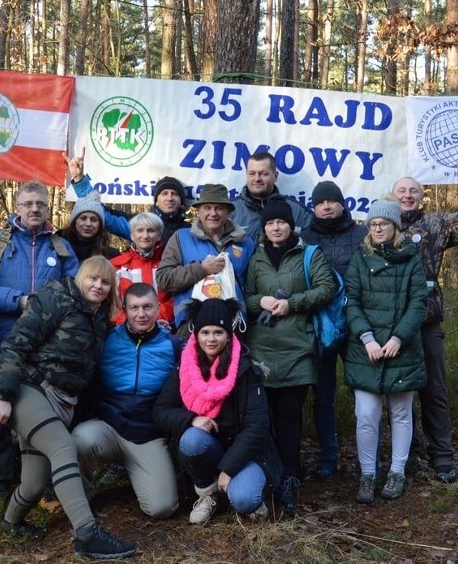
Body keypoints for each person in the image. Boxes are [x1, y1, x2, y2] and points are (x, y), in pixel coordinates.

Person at [0, 256, 136, 560]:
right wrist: (2, 394)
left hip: (62, 399)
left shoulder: (99, 319)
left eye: (105, 282)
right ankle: (87, 534)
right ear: (81, 277)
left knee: (33, 482)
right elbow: (15, 343)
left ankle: (9, 523)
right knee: (63, 448)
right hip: (28, 389)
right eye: (92, 278)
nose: (98, 285)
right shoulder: (56, 298)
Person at [0, 180, 79, 520]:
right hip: (2, 343)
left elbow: (75, 290)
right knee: (0, 418)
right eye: (28, 203)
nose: (34, 209)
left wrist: (48, 312)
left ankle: (44, 489)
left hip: (47, 350)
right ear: (16, 208)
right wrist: (17, 302)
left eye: (40, 204)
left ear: (48, 209)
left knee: (47, 416)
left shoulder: (61, 247)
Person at [244, 197, 337, 514]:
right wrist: (263, 302)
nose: (275, 227)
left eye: (280, 222)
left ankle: (290, 476)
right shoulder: (256, 259)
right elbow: (246, 297)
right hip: (261, 350)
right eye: (270, 223)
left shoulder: (309, 254)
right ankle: (269, 475)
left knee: (289, 415)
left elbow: (327, 289)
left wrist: (291, 303)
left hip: (298, 347)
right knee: (262, 417)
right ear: (264, 228)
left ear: (290, 225)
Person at [393, 162, 458, 483]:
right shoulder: (381, 226)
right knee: (398, 392)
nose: (407, 196)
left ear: (422, 196)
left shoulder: (435, 224)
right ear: (393, 195)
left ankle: (442, 457)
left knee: (434, 389)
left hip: (427, 320)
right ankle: (404, 456)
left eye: (413, 191)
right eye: (402, 191)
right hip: (392, 325)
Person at [153, 298, 280, 524]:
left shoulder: (245, 369)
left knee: (244, 499)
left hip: (246, 454)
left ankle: (243, 493)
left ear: (229, 334)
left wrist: (228, 469)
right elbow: (161, 411)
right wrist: (192, 419)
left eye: (218, 332)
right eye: (205, 332)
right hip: (209, 448)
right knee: (191, 439)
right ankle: (209, 494)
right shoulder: (185, 367)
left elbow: (257, 426)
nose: (211, 339)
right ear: (196, 333)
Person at [72, 283, 181, 519]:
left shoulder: (173, 346)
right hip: (108, 428)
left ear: (158, 308)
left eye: (147, 307)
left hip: (147, 435)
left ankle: (137, 472)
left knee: (162, 508)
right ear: (125, 309)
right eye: (134, 308)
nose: (141, 314)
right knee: (79, 440)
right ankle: (82, 495)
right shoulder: (107, 338)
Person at [343, 200, 427, 504]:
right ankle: (368, 475)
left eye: (384, 223)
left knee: (401, 413)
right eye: (373, 223)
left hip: (400, 350)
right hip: (365, 350)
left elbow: (419, 303)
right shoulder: (359, 259)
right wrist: (367, 338)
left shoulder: (411, 258)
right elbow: (351, 301)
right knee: (366, 414)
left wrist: (398, 338)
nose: (378, 228)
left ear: (395, 227)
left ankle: (397, 472)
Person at [300, 181, 368, 479]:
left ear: (342, 204)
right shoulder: (304, 238)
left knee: (363, 393)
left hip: (356, 323)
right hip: (320, 326)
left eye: (332, 201)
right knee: (323, 395)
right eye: (320, 202)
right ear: (313, 207)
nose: (326, 206)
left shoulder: (362, 235)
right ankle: (329, 457)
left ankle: (369, 456)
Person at [156, 183, 255, 336]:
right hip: (191, 327)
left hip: (234, 327)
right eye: (207, 207)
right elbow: (163, 279)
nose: (213, 213)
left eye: (219, 208)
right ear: (198, 211)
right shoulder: (181, 238)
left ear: (228, 211)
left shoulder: (246, 243)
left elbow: (252, 287)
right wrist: (200, 270)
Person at [67, 150, 191, 244]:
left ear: (181, 201)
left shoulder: (192, 231)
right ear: (156, 201)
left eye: (174, 194)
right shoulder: (137, 224)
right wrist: (79, 181)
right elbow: (100, 212)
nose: (169, 198)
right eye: (164, 194)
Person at [231, 151, 313, 242]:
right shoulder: (230, 210)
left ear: (275, 176)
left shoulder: (296, 210)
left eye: (263, 174)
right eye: (252, 173)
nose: (257, 178)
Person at [109, 212, 174, 326]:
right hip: (125, 330)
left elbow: (176, 299)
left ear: (159, 235)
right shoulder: (117, 265)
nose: (145, 235)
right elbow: (112, 303)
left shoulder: (169, 263)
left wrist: (155, 319)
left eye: (150, 230)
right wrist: (129, 323)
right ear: (132, 235)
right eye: (140, 230)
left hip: (161, 326)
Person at [60, 191, 119, 262]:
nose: (88, 224)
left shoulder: (111, 256)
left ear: (100, 224)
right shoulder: (57, 247)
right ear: (75, 221)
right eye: (83, 218)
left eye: (94, 220)